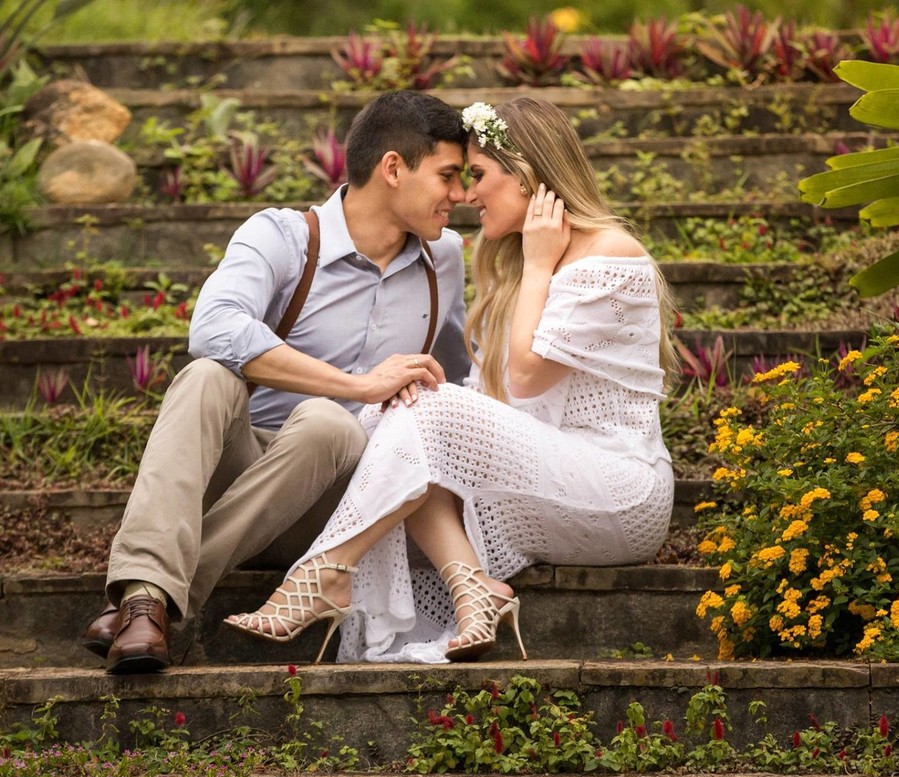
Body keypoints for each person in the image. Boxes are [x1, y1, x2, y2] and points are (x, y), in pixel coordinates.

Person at [224, 97, 678, 664]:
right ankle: (474, 592)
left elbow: (527, 378)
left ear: (530, 179)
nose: (467, 195)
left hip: (619, 492)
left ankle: (323, 576)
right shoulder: (516, 267)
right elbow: (492, 400)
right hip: (541, 483)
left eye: (480, 176)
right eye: (460, 177)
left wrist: (540, 266)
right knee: (408, 405)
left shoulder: (608, 253)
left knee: (425, 407)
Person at [82, 90, 472, 674]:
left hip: (333, 509)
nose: (460, 195)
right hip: (241, 473)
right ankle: (147, 598)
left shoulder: (445, 259)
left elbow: (457, 375)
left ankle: (148, 600)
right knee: (206, 377)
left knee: (327, 423)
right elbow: (213, 327)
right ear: (393, 168)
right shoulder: (284, 237)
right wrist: (357, 383)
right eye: (448, 176)